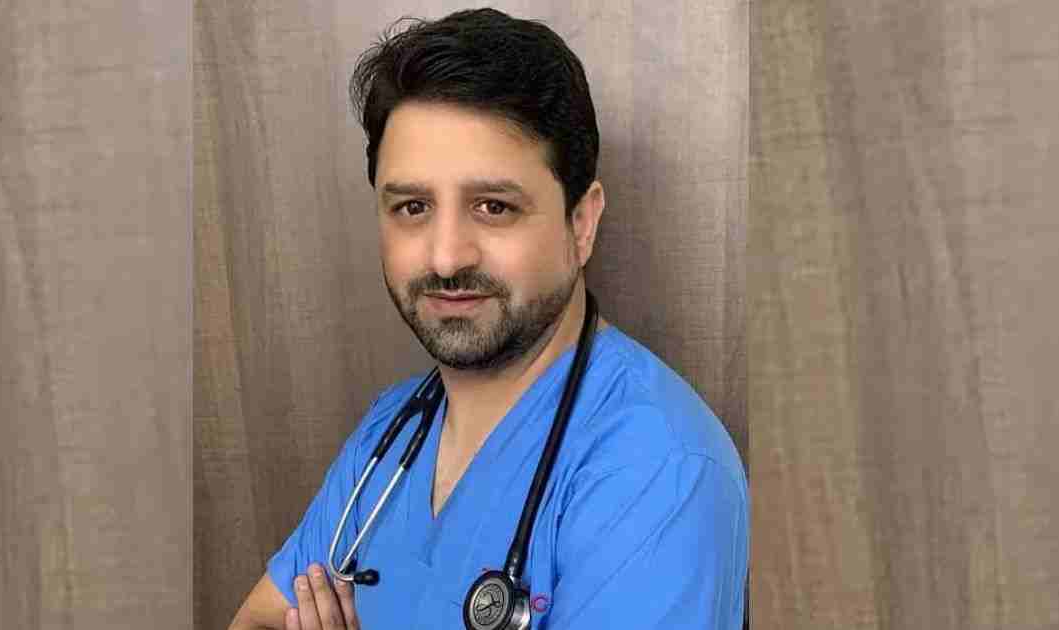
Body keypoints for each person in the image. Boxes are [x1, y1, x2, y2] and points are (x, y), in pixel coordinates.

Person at [228, 8, 747, 630]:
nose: (447, 257)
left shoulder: (660, 471)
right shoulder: (392, 430)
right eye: (413, 207)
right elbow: (255, 619)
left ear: (581, 223)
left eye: (494, 206)